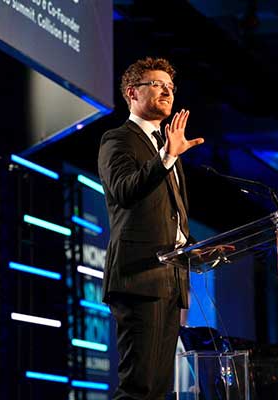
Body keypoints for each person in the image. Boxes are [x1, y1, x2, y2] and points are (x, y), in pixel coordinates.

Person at [97, 57, 204, 399]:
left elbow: (170, 216)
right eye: (157, 84)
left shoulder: (166, 146)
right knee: (138, 388)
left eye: (170, 87)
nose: (167, 92)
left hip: (170, 280)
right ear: (132, 92)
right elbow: (125, 191)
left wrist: (196, 247)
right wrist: (167, 158)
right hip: (139, 278)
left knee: (159, 390)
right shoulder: (118, 139)